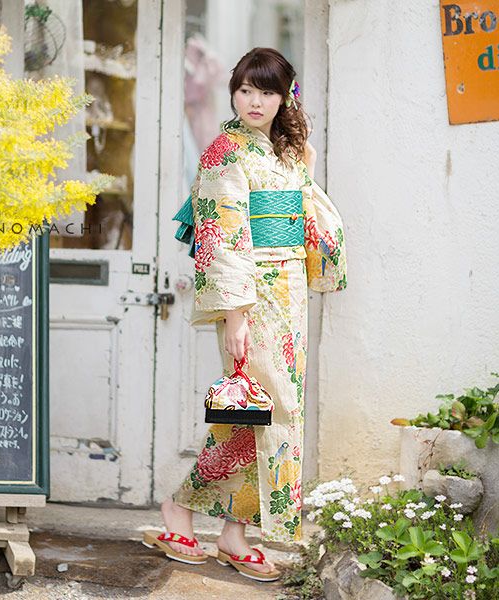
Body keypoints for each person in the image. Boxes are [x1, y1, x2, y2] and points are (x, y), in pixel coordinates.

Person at [143, 47, 347, 582]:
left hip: (289, 292)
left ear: (285, 97)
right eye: (245, 90)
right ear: (233, 92)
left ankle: (231, 531)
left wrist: (306, 163)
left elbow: (308, 214)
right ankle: (182, 509)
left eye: (267, 92)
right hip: (251, 295)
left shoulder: (288, 151)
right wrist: (234, 314)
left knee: (265, 413)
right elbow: (222, 237)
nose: (254, 102)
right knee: (259, 409)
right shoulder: (224, 152)